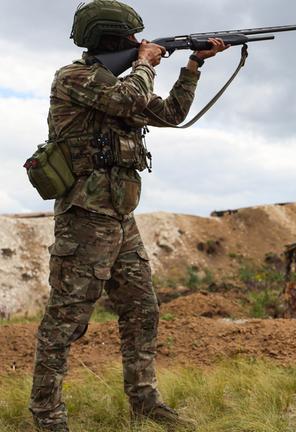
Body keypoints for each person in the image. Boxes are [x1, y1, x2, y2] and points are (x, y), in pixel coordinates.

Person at [29, 1, 228, 430]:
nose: (141, 43)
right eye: (133, 39)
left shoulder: (124, 83)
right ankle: (47, 415)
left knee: (142, 310)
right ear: (112, 41)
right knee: (66, 321)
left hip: (121, 219)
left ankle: (144, 401)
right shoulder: (77, 78)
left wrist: (193, 64)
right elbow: (128, 97)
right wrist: (146, 62)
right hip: (84, 219)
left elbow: (172, 114)